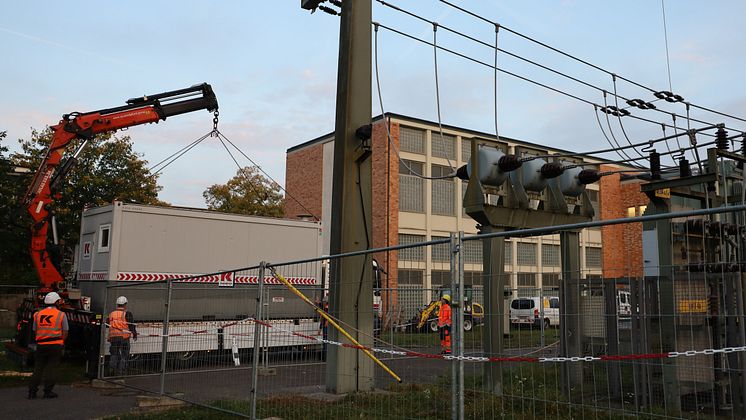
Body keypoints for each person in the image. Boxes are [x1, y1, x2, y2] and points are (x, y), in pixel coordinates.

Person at [28, 292, 68, 399]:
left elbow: (35, 330)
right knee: (51, 368)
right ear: (56, 302)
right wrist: (61, 342)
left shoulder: (37, 314)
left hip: (41, 344)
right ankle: (47, 391)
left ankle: (32, 391)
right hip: (55, 344)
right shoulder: (61, 314)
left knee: (38, 368)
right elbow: (65, 331)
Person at [108, 296, 138, 376]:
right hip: (124, 338)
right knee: (124, 355)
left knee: (114, 354)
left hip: (113, 337)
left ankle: (112, 369)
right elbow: (131, 325)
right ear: (125, 304)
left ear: (117, 304)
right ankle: (121, 372)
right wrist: (134, 334)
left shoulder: (112, 314)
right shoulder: (127, 313)